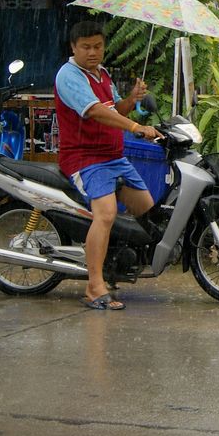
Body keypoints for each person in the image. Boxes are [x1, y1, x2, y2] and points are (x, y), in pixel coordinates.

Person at [55, 20, 161, 311]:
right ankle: (94, 285)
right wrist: (136, 126)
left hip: (114, 157)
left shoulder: (101, 75)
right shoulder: (69, 75)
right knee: (106, 214)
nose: (93, 52)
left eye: (98, 46)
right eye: (86, 47)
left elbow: (115, 108)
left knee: (146, 207)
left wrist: (132, 99)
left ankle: (114, 261)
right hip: (85, 158)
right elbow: (95, 112)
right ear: (73, 47)